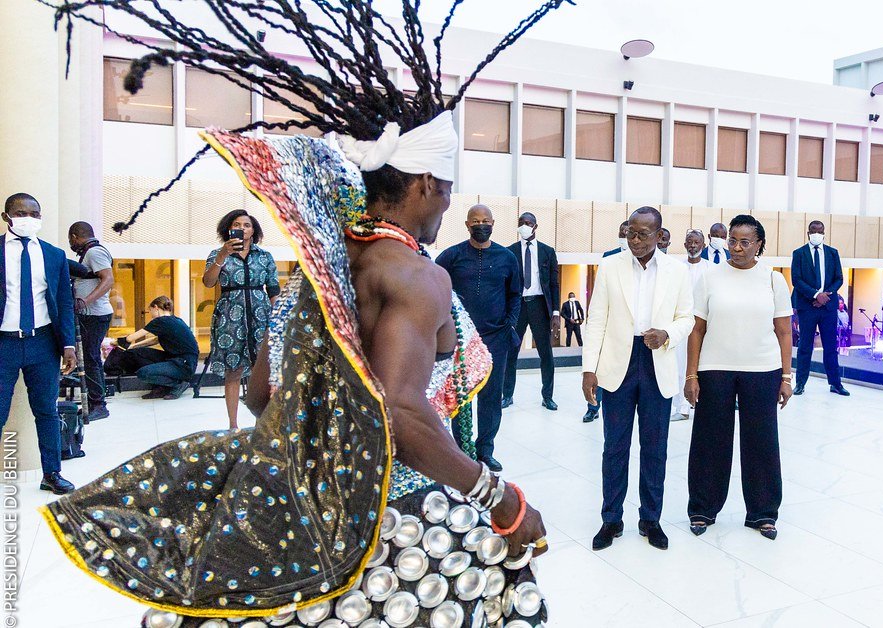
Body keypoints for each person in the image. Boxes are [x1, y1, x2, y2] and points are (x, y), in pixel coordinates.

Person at [42, 2, 565, 625]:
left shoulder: (320, 266)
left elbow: (264, 392)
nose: (448, 209)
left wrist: (327, 453)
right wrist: (501, 499)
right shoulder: (418, 275)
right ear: (425, 181)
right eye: (448, 192)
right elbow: (401, 412)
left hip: (306, 500)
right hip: (393, 511)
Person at [584, 207, 695, 552]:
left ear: (660, 236)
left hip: (656, 360)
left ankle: (651, 519)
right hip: (617, 363)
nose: (634, 240)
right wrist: (590, 369)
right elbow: (597, 319)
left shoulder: (676, 271)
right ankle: (611, 518)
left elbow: (687, 317)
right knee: (614, 447)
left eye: (643, 234)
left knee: (655, 448)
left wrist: (668, 334)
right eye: (631, 233)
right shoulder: (610, 266)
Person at [685, 214, 793, 541]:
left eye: (745, 242)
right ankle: (703, 508)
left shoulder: (773, 280)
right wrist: (691, 374)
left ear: (760, 245)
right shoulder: (710, 277)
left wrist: (787, 377)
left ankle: (762, 513)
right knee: (709, 440)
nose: (737, 247)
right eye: (733, 240)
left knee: (761, 442)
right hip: (715, 368)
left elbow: (784, 332)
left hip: (762, 370)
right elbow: (697, 330)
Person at [0, 193, 76, 495]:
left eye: (35, 213)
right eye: (22, 213)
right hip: (3, 343)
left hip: (43, 344)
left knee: (47, 410)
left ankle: (52, 473)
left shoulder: (54, 255)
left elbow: (64, 302)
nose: (29, 218)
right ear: (7, 217)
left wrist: (68, 344)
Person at [436, 204, 521, 472]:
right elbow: (437, 288)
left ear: (493, 223)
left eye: (485, 220)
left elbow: (515, 295)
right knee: (462, 396)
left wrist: (509, 326)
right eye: (476, 221)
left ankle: (486, 450)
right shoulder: (451, 256)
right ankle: (463, 452)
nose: (480, 225)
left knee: (491, 396)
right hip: (461, 338)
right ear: (467, 224)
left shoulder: (507, 257)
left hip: (496, 338)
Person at [203, 209, 280, 429]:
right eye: (237, 224)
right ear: (229, 229)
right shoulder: (217, 253)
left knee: (262, 371)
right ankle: (233, 426)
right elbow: (208, 282)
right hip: (230, 317)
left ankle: (261, 424)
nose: (242, 228)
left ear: (253, 230)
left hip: (261, 315)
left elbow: (273, 288)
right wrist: (222, 257)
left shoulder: (264, 256)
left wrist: (280, 316)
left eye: (247, 225)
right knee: (233, 371)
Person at [503, 211, 560, 411]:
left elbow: (554, 284)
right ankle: (507, 395)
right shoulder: (509, 252)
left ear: (535, 226)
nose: (524, 226)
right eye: (521, 223)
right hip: (518, 306)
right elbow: (505, 284)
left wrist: (555, 313)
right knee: (511, 352)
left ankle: (548, 396)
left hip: (539, 306)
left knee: (546, 354)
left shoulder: (547, 251)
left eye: (528, 223)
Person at [790, 220, 849, 396]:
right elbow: (796, 279)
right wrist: (816, 295)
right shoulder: (799, 253)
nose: (817, 234)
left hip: (828, 308)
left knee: (831, 347)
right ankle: (800, 383)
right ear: (808, 233)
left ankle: (835, 383)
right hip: (807, 307)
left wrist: (825, 296)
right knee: (805, 347)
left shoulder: (832, 253)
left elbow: (839, 278)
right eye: (814, 231)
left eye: (820, 231)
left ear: (824, 233)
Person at [583, 222, 631, 423]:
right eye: (623, 232)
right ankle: (593, 406)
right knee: (601, 367)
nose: (626, 236)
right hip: (608, 323)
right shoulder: (608, 257)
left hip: (629, 329)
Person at [67, 221, 114, 421]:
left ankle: (98, 404)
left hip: (95, 315)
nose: (71, 242)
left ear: (75, 236)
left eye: (71, 239)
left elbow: (108, 279)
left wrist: (85, 301)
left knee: (91, 359)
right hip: (90, 314)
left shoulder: (94, 252)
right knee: (88, 358)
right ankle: (95, 402)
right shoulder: (88, 253)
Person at [120, 296, 200, 399]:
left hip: (184, 364)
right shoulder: (175, 320)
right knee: (138, 352)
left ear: (156, 308)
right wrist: (134, 347)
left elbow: (130, 338)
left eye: (151, 310)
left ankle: (178, 384)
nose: (151, 314)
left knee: (143, 373)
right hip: (182, 360)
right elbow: (155, 340)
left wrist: (116, 342)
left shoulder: (161, 321)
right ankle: (163, 386)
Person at [671, 229, 710, 421]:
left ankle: (699, 403)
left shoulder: (711, 269)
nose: (693, 246)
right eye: (689, 242)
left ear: (703, 245)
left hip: (703, 326)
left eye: (696, 242)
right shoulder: (676, 268)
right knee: (680, 365)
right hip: (681, 324)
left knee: (702, 365)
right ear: (685, 244)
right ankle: (681, 406)